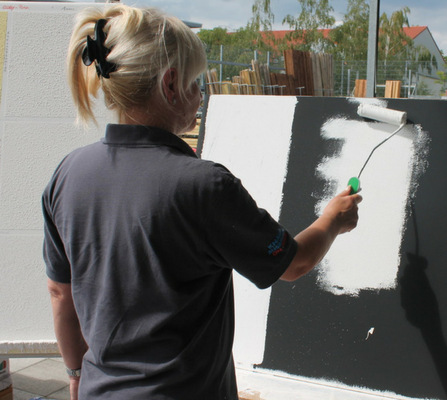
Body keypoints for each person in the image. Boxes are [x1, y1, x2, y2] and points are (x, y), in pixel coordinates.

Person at [42, 5, 361, 400]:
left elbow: (60, 293)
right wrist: (332, 219)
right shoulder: (204, 186)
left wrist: (75, 374)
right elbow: (293, 263)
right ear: (171, 84)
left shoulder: (68, 174)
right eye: (197, 82)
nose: (201, 94)